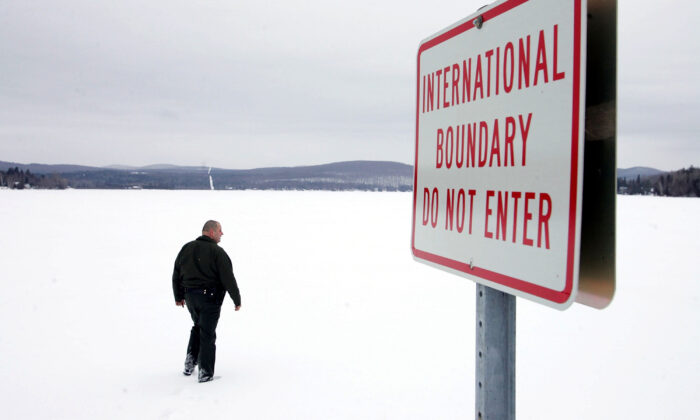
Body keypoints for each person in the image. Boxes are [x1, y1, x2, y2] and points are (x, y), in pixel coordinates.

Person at [172, 220, 242, 382]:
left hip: (190, 298)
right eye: (219, 230)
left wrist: (178, 296)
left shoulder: (186, 248)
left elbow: (176, 273)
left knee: (198, 327)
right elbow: (228, 278)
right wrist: (236, 299)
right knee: (207, 334)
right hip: (209, 298)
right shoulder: (216, 252)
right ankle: (205, 373)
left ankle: (190, 363)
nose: (222, 233)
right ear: (211, 232)